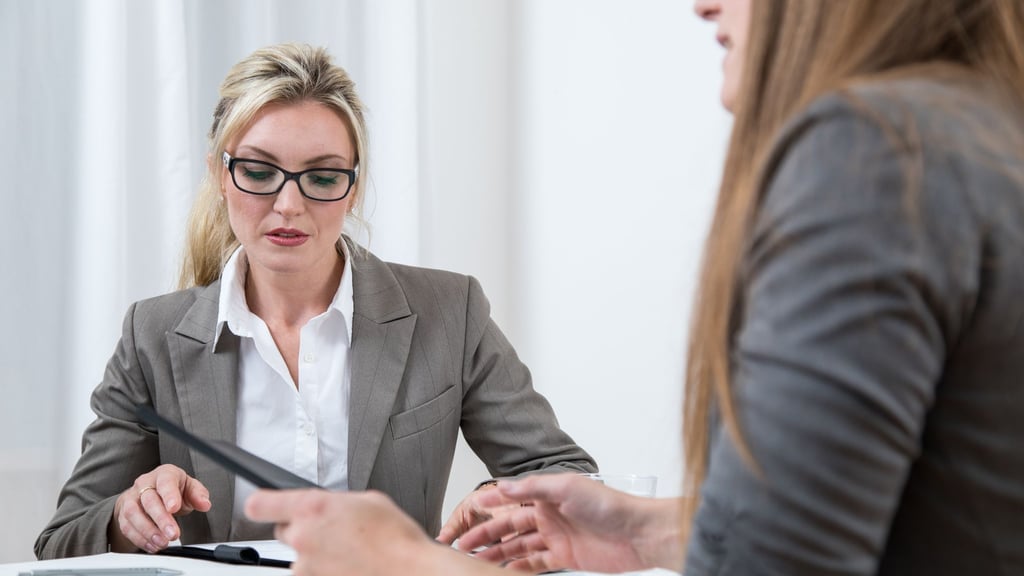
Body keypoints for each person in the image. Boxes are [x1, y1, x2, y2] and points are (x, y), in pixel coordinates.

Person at [245, 0, 1024, 574]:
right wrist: (653, 531)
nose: (704, 5)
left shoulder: (870, 154)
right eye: (259, 171)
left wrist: (411, 565)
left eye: (320, 177)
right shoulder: (979, 133)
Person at [34, 43, 596, 560]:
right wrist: (125, 517)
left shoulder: (450, 309)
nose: (288, 204)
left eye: (322, 178)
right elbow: (61, 540)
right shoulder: (153, 335)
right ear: (220, 176)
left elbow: (565, 473)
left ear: (352, 186)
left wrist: (502, 498)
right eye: (258, 171)